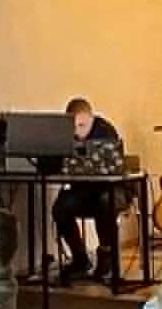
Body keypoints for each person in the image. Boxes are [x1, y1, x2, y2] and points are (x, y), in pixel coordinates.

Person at [52, 98, 125, 283]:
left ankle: (106, 257)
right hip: (84, 192)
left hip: (112, 190)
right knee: (61, 207)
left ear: (91, 118)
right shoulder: (65, 135)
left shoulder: (106, 131)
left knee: (105, 203)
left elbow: (113, 167)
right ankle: (79, 259)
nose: (77, 131)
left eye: (82, 125)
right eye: (73, 126)